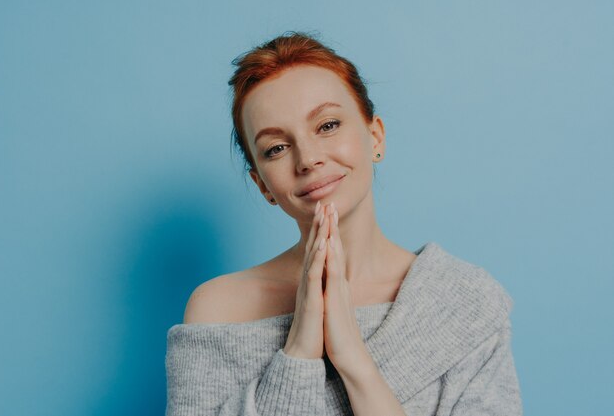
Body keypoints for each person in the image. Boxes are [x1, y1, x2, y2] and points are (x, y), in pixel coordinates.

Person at [165, 31, 522, 416]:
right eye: (276, 148)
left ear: (375, 137)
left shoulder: (464, 303)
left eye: (328, 125)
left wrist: (353, 359)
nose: (308, 158)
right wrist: (299, 350)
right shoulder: (219, 312)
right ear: (262, 185)